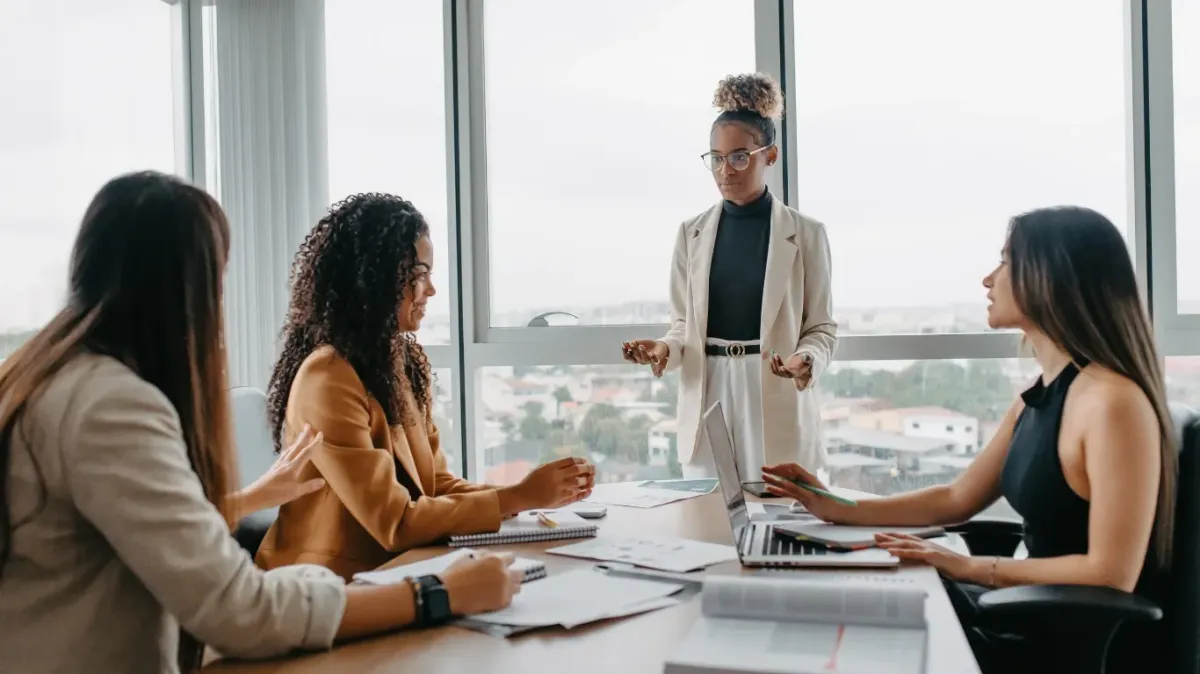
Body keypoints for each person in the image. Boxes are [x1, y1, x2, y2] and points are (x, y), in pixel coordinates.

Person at [0, 172, 525, 674]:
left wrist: (243, 500)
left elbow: (126, 524)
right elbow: (238, 612)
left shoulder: (47, 374)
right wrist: (437, 593)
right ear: (185, 286)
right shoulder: (111, 407)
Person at [762, 206, 1176, 673]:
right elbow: (958, 498)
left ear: (1051, 276)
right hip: (1014, 612)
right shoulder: (1043, 394)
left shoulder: (1112, 403)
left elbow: (1111, 573)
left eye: (1005, 261)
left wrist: (968, 567)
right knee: (833, 604)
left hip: (1043, 644)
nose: (988, 278)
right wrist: (834, 506)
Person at [256, 192, 596, 582]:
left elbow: (434, 485)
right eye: (419, 275)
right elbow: (395, 521)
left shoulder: (401, 363)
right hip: (324, 587)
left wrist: (522, 494)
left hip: (393, 572)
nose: (430, 290)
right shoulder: (327, 377)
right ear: (373, 277)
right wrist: (520, 497)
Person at [622, 72, 837, 481]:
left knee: (779, 514)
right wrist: (663, 349)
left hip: (772, 390)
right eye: (716, 158)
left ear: (769, 156)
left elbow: (822, 327)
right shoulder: (691, 233)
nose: (726, 170)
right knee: (708, 516)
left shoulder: (807, 234)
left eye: (739, 156)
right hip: (708, 389)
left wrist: (805, 360)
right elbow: (684, 325)